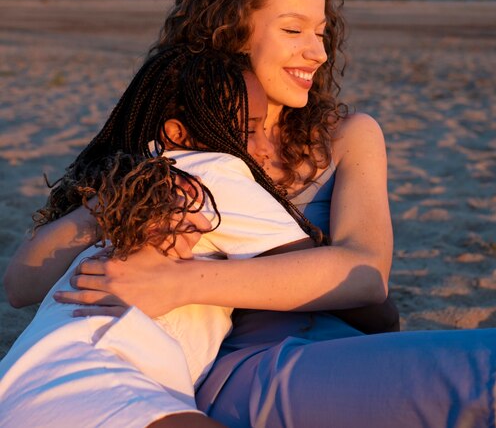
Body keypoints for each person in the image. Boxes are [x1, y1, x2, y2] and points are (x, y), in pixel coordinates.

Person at [5, 0, 496, 427]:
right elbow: (22, 283)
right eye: (293, 30)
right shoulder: (185, 140)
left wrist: (185, 281)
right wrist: (123, 202)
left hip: (327, 349)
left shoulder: (349, 136)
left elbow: (369, 279)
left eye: (321, 32)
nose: (319, 51)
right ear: (232, 34)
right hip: (231, 371)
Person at [1, 49, 318, 428]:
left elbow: (18, 288)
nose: (265, 149)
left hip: (41, 368)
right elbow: (316, 274)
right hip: (104, 369)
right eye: (250, 131)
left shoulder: (135, 179)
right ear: (177, 134)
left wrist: (107, 204)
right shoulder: (213, 174)